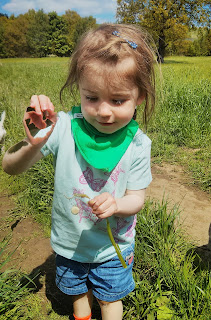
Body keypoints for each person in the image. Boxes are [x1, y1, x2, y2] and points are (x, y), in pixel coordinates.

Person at [2, 23, 158, 320]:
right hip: (69, 243)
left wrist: (117, 204)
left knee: (110, 301)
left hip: (114, 248)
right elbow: (10, 168)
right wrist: (35, 143)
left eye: (118, 100)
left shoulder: (138, 145)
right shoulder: (63, 128)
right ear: (79, 90)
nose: (103, 111)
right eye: (91, 97)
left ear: (139, 97)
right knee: (77, 294)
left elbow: (137, 198)